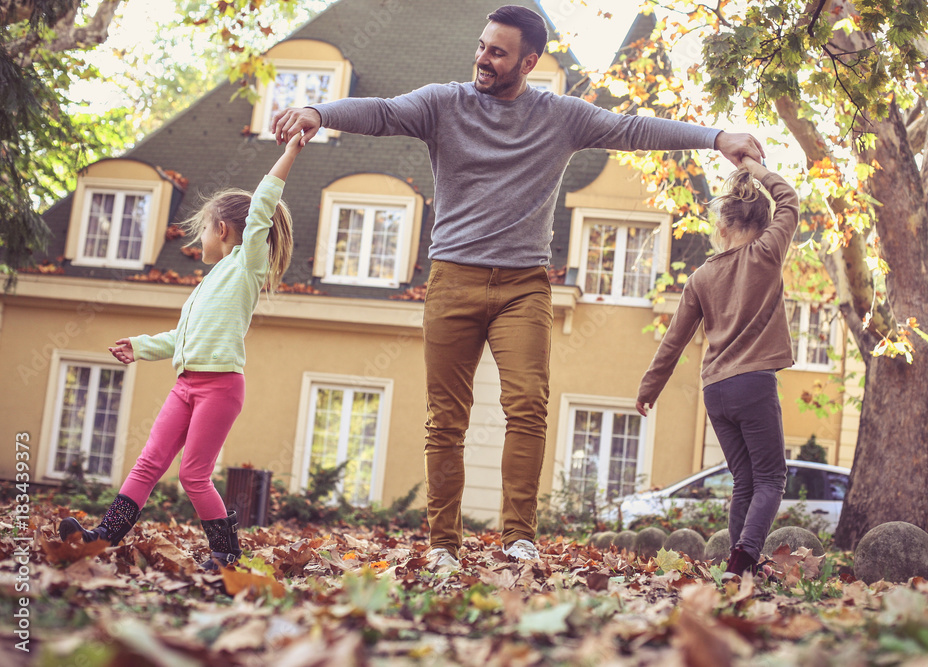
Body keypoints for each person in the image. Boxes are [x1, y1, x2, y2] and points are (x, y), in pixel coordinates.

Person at [270, 5, 764, 572]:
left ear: (529, 61)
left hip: (523, 287)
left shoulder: (560, 116)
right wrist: (318, 110)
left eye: (497, 52)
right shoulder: (442, 104)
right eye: (482, 46)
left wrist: (717, 136)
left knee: (528, 404)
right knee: (445, 418)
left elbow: (633, 129)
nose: (482, 59)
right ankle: (443, 546)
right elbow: (380, 112)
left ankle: (518, 536)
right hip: (452, 278)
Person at [59, 138, 301, 570]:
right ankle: (103, 534)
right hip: (186, 385)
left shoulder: (247, 266)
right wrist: (141, 346)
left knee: (193, 474)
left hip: (221, 387)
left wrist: (288, 155)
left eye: (203, 230)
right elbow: (183, 339)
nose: (198, 239)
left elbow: (263, 204)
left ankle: (226, 551)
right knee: (149, 461)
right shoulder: (206, 285)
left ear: (223, 231)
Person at [635, 155, 798, 580]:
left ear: (721, 227)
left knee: (744, 480)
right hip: (754, 383)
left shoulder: (700, 278)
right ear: (764, 226)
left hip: (716, 392)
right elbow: (790, 201)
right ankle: (744, 556)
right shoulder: (767, 251)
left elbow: (674, 341)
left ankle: (735, 571)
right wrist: (758, 169)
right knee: (770, 478)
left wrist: (648, 390)